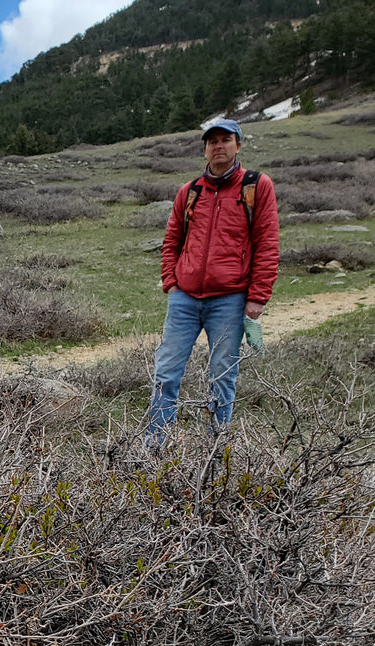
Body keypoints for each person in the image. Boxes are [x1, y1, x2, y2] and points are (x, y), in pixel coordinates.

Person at [145, 119, 279, 446]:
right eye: (212, 141)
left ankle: (214, 451)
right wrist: (171, 283)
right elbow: (172, 240)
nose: (218, 145)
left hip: (230, 300)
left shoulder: (257, 186)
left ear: (238, 145)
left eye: (225, 139)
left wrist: (258, 297)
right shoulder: (189, 191)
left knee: (222, 377)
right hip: (184, 299)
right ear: (205, 148)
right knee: (166, 375)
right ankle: (153, 448)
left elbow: (267, 242)